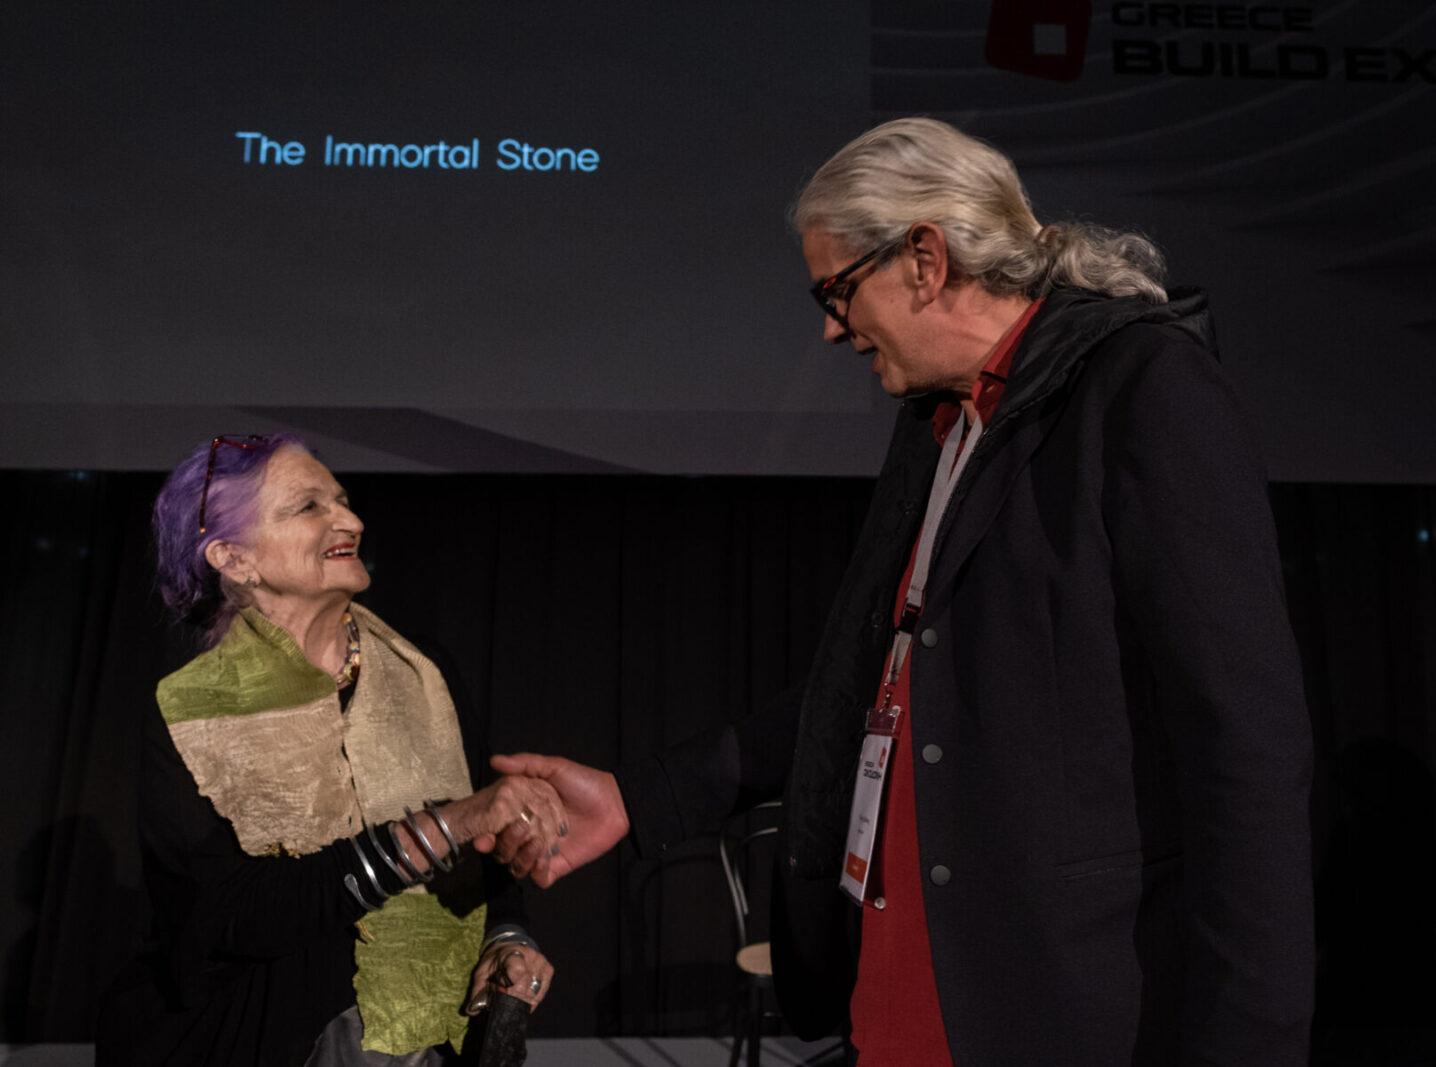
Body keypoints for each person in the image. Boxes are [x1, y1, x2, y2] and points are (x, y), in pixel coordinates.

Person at [494, 118, 1315, 1065]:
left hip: (1057, 1012)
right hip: (902, 1002)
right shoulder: (940, 424)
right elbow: (871, 688)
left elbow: (1244, 746)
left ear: (925, 259)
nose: (831, 327)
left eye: (837, 291)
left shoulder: (1145, 389)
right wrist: (641, 797)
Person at [97, 433, 564, 1066]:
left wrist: (506, 937)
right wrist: (445, 827)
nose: (351, 520)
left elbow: (487, 844)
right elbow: (231, 916)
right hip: (269, 1040)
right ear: (234, 558)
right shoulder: (191, 710)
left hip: (435, 1036)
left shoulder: (425, 673)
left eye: (342, 500)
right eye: (309, 506)